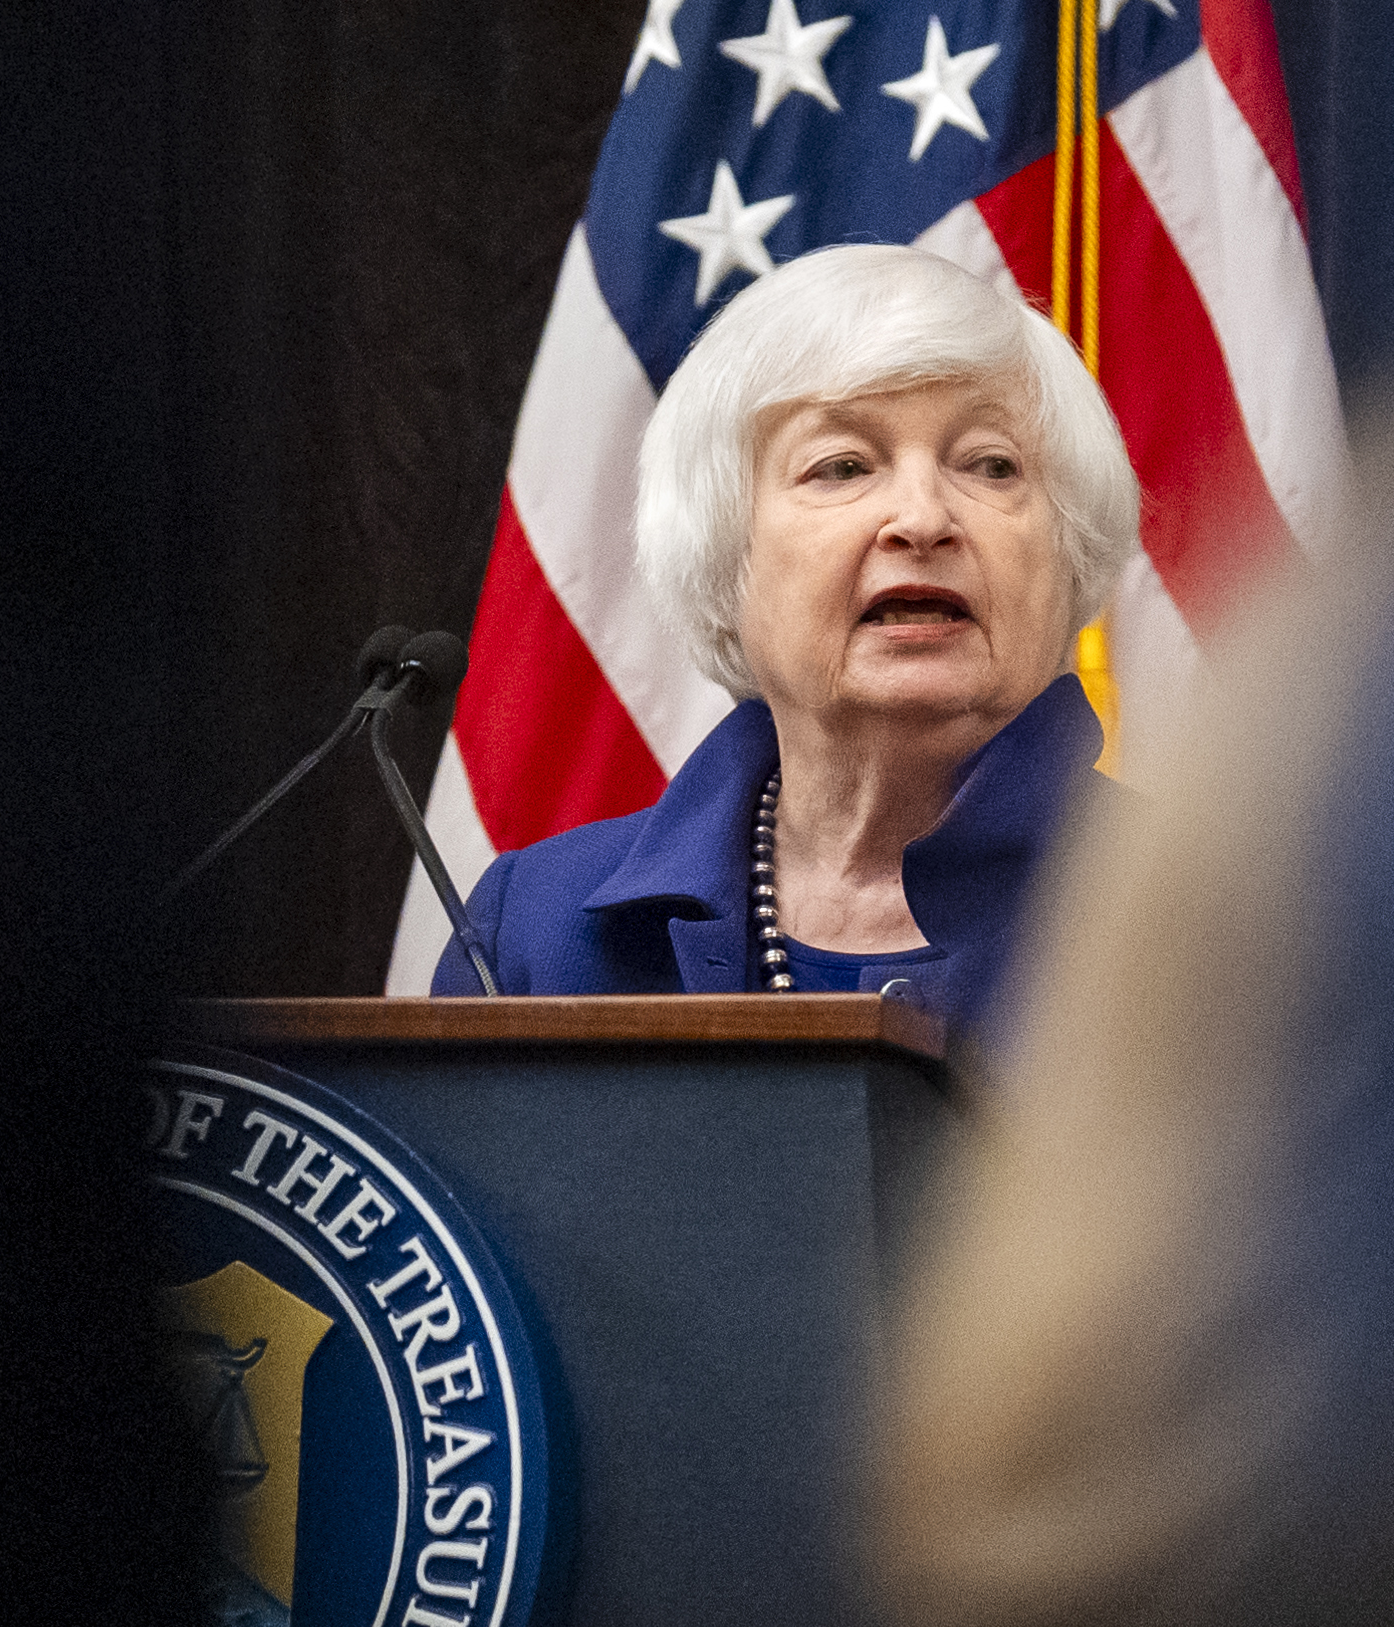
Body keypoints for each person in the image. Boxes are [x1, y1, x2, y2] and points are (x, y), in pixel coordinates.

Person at [431, 243, 1138, 1047]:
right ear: (724, 554)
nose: (923, 517)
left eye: (991, 465)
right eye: (841, 467)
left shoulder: (1238, 924)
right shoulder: (532, 932)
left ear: (1070, 550)